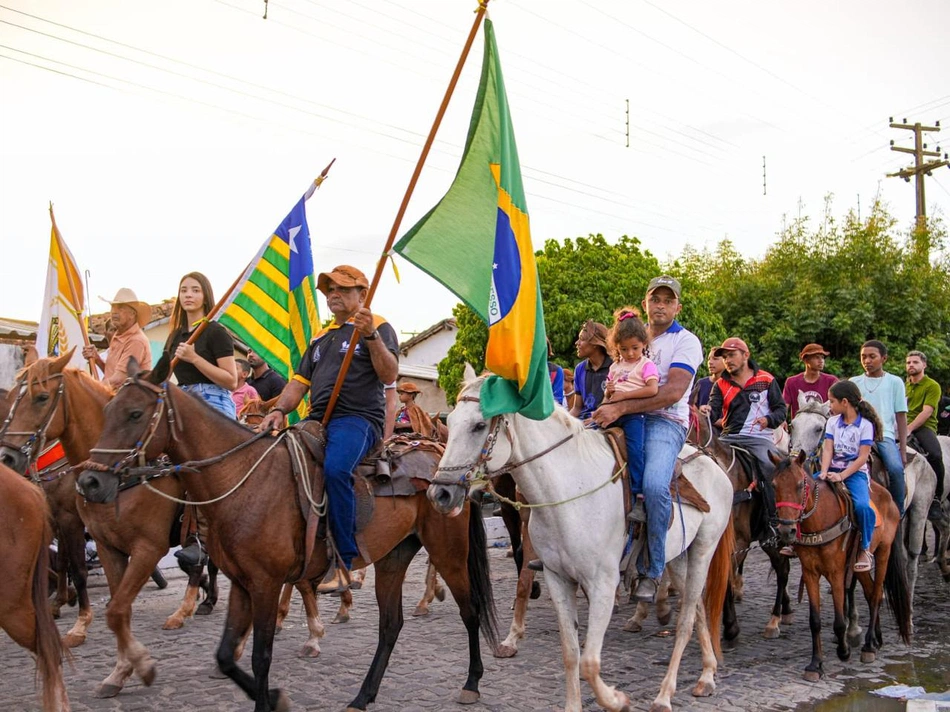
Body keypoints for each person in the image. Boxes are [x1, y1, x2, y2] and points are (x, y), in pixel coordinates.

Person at [259, 265, 399, 584]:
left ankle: (344, 561)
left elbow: (389, 375)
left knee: (336, 469)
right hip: (316, 421)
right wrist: (279, 409)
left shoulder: (378, 326)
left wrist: (371, 336)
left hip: (358, 419)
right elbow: (298, 383)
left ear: (363, 295)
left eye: (343, 289)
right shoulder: (320, 337)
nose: (333, 294)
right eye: (330, 289)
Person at [591, 275, 703, 603]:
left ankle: (652, 570)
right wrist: (609, 402)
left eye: (668, 301)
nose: (661, 306)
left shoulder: (686, 341)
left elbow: (672, 392)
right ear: (645, 304)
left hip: (665, 422)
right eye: (656, 299)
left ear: (677, 307)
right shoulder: (631, 341)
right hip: (624, 416)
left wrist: (621, 406)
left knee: (654, 486)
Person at [708, 337, 787, 518]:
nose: (728, 360)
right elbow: (713, 410)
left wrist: (768, 420)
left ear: (746, 355)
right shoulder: (720, 384)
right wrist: (705, 411)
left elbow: (781, 410)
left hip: (759, 439)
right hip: (729, 437)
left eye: (732, 355)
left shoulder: (766, 379)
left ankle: (773, 520)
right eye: (725, 357)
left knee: (770, 469)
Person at [818, 380, 883, 573]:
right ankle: (796, 539)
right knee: (801, 489)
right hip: (832, 469)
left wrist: (842, 475)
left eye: (832, 402)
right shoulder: (831, 422)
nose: (830, 406)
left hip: (855, 474)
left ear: (844, 402)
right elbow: (827, 448)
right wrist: (823, 470)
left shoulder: (865, 425)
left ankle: (865, 548)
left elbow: (863, 457)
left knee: (863, 506)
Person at [604, 306, 659, 524]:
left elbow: (652, 389)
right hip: (613, 412)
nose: (630, 353)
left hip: (635, 415)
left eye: (635, 348)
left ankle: (639, 496)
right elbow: (610, 393)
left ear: (644, 344)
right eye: (624, 349)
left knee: (636, 450)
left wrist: (625, 396)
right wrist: (609, 391)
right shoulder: (616, 366)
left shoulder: (646, 365)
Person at [164, 272, 238, 419]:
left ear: (205, 297)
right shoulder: (175, 336)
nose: (188, 295)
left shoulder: (216, 331)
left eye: (195, 290)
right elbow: (163, 377)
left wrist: (194, 358)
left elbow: (231, 381)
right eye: (183, 290)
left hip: (214, 401)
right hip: (182, 401)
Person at [850, 340, 907, 517]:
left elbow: (901, 415)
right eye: (863, 357)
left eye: (872, 357)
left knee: (896, 469)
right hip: (855, 435)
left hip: (884, 436)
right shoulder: (854, 382)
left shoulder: (895, 382)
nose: (867, 361)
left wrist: (903, 449)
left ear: (884, 358)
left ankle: (897, 512)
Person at [82, 288, 152, 389]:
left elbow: (119, 380)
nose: (114, 312)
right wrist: (97, 358)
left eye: (120, 308)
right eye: (113, 307)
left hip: (128, 402)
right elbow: (111, 373)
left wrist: (91, 389)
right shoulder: (119, 336)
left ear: (132, 314)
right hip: (115, 399)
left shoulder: (136, 340)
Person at [905, 350, 945, 521]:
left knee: (935, 454)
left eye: (915, 362)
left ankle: (936, 498)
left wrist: (909, 428)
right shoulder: (904, 385)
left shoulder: (932, 385)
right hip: (901, 425)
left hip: (923, 427)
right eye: (908, 363)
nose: (911, 365)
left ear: (924, 365)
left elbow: (927, 411)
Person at [569, 320, 612, 421]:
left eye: (581, 339)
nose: (577, 343)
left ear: (595, 344)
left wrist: (595, 419)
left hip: (607, 420)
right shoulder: (580, 369)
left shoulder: (614, 366)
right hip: (584, 422)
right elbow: (576, 408)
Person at [782, 343, 838, 419]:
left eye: (822, 357)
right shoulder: (792, 382)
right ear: (806, 360)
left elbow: (839, 407)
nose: (821, 361)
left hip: (825, 427)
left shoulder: (831, 381)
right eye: (817, 357)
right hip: (800, 427)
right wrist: (781, 421)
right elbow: (784, 407)